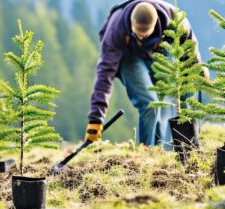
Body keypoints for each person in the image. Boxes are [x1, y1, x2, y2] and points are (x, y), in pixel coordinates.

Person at [85, 0, 208, 146]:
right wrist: (95, 119)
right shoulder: (116, 28)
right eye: (138, 32)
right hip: (129, 56)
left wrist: (197, 69)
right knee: (149, 105)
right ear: (131, 24)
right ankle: (147, 151)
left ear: (155, 25)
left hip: (160, 50)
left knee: (173, 98)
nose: (142, 36)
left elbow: (190, 48)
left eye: (146, 33)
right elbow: (105, 73)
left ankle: (181, 146)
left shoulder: (176, 22)